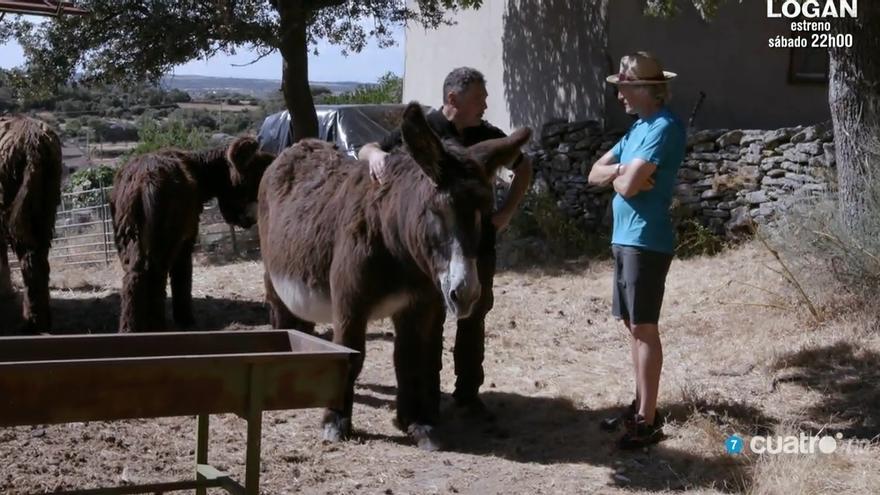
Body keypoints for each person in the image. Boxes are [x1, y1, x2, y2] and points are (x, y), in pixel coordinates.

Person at [359, 67, 533, 418]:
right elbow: (370, 147)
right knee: (428, 320)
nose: (485, 105)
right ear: (453, 98)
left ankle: (468, 394)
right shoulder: (425, 132)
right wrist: (374, 155)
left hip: (478, 245)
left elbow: (524, 167)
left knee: (474, 318)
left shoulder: (486, 137)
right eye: (479, 99)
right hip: (431, 252)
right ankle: (430, 394)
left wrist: (506, 213)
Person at [587, 52, 685, 449]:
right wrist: (621, 173)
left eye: (624, 87)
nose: (620, 95)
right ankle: (642, 404)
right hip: (626, 239)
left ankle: (648, 419)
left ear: (647, 89)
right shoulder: (636, 131)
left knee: (644, 328)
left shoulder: (664, 127)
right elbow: (596, 173)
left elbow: (629, 187)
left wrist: (624, 177)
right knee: (633, 328)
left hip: (647, 241)